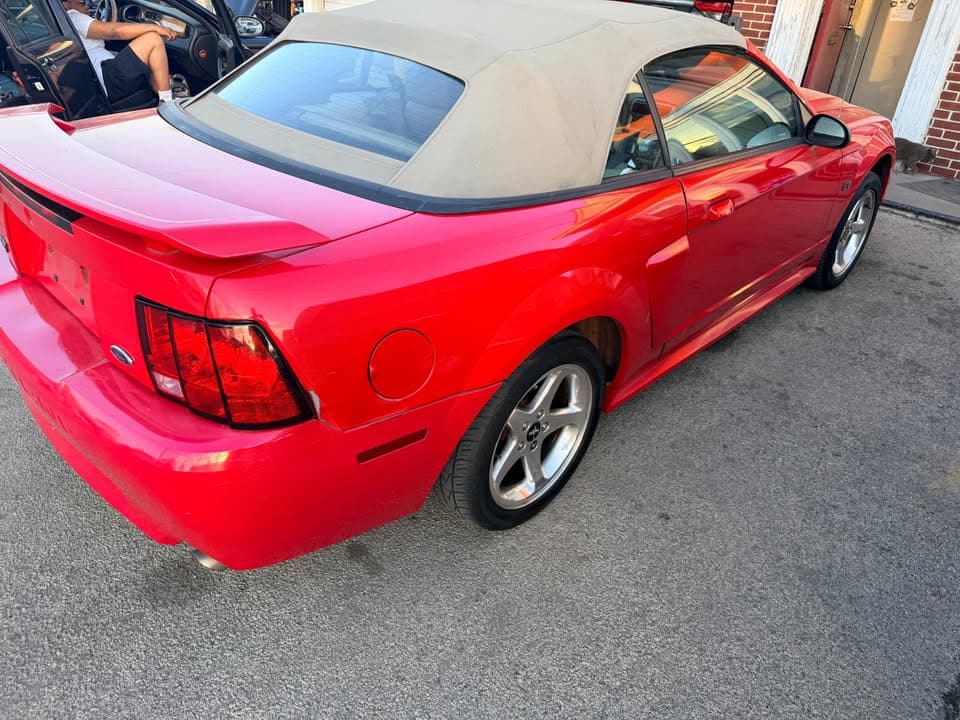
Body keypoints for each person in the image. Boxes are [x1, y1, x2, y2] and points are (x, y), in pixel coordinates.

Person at [61, 0, 177, 104]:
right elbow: (112, 31)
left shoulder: (64, 25)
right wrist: (154, 27)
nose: (87, 6)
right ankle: (166, 101)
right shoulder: (72, 16)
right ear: (66, 4)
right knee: (152, 39)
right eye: (82, 3)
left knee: (154, 68)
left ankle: (165, 92)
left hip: (105, 80)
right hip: (108, 79)